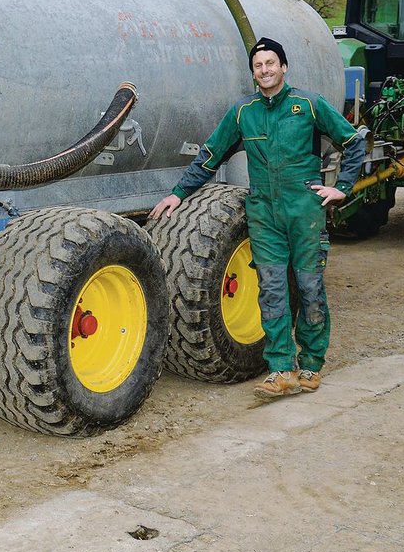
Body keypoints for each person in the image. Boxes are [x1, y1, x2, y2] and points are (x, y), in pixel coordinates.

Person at [150, 37, 367, 400]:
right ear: (253, 73)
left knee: (310, 287)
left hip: (304, 210)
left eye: (270, 63)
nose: (264, 70)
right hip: (264, 212)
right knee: (271, 290)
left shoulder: (308, 105)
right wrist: (178, 193)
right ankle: (281, 368)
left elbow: (353, 140)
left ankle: (311, 364)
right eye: (258, 66)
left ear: (284, 67)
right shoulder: (243, 112)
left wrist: (342, 185)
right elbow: (211, 154)